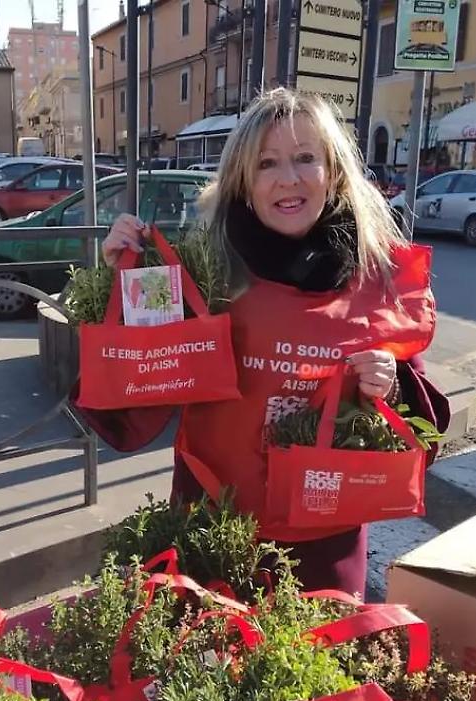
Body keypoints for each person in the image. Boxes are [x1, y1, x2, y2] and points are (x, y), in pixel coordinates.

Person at [78, 88, 448, 598]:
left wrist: (389, 382)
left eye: (304, 159)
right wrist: (123, 282)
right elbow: (136, 394)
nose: (289, 179)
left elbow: (419, 426)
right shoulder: (203, 274)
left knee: (317, 672)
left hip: (323, 548)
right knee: (203, 671)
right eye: (267, 163)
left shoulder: (380, 278)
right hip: (213, 536)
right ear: (243, 181)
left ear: (333, 171)